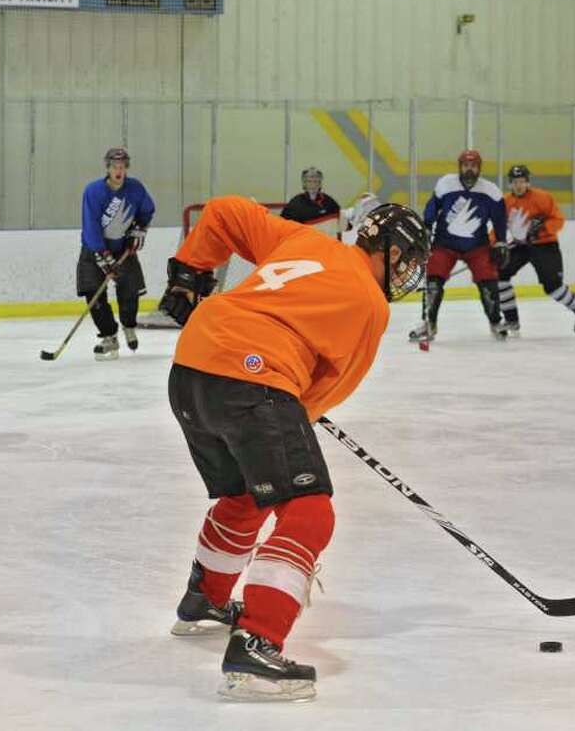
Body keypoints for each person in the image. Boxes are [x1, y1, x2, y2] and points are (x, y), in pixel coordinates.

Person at [157, 195, 429, 702]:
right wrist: (288, 409)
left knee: (244, 496)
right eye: (410, 259)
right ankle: (257, 645)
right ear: (389, 250)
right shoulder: (370, 304)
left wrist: (189, 272)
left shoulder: (305, 240)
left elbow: (223, 212)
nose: (410, 272)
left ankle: (204, 603)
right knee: (308, 510)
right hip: (252, 378)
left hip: (191, 367)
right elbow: (327, 390)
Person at [409, 148, 509, 343]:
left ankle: (496, 322)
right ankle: (429, 323)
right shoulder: (446, 184)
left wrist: (500, 241)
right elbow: (432, 207)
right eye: (466, 165)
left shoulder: (491, 191)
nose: (469, 169)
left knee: (489, 283)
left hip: (477, 246)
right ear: (460, 167)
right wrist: (426, 228)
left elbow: (499, 219)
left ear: (479, 167)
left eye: (473, 165)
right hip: (444, 244)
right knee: (433, 282)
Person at [496, 164, 575, 336]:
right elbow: (498, 227)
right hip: (521, 246)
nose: (518, 185)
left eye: (522, 181)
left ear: (527, 182)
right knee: (499, 275)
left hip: (545, 245)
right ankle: (512, 320)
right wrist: (495, 244)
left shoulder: (542, 198)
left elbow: (558, 220)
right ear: (510, 183)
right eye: (515, 182)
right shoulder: (506, 202)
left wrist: (541, 230)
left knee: (553, 287)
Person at [77, 147, 155, 360]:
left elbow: (147, 210)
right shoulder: (93, 191)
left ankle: (129, 325)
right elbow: (90, 224)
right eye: (114, 167)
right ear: (108, 168)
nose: (118, 171)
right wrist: (101, 252)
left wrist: (139, 228)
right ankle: (109, 336)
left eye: (122, 167)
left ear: (126, 168)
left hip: (123, 249)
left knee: (129, 289)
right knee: (92, 292)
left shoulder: (135, 189)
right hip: (94, 249)